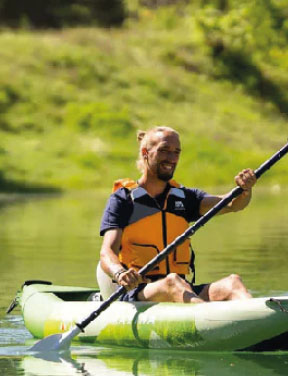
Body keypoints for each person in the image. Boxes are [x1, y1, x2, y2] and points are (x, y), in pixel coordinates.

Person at [97, 126, 257, 303]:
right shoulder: (123, 199)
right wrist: (120, 273)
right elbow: (107, 252)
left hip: (182, 288)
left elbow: (232, 204)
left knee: (233, 283)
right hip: (140, 293)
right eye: (164, 150)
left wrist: (245, 190)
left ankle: (259, 321)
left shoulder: (185, 198)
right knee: (172, 282)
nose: (171, 158)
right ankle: (209, 319)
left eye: (176, 152)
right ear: (145, 152)